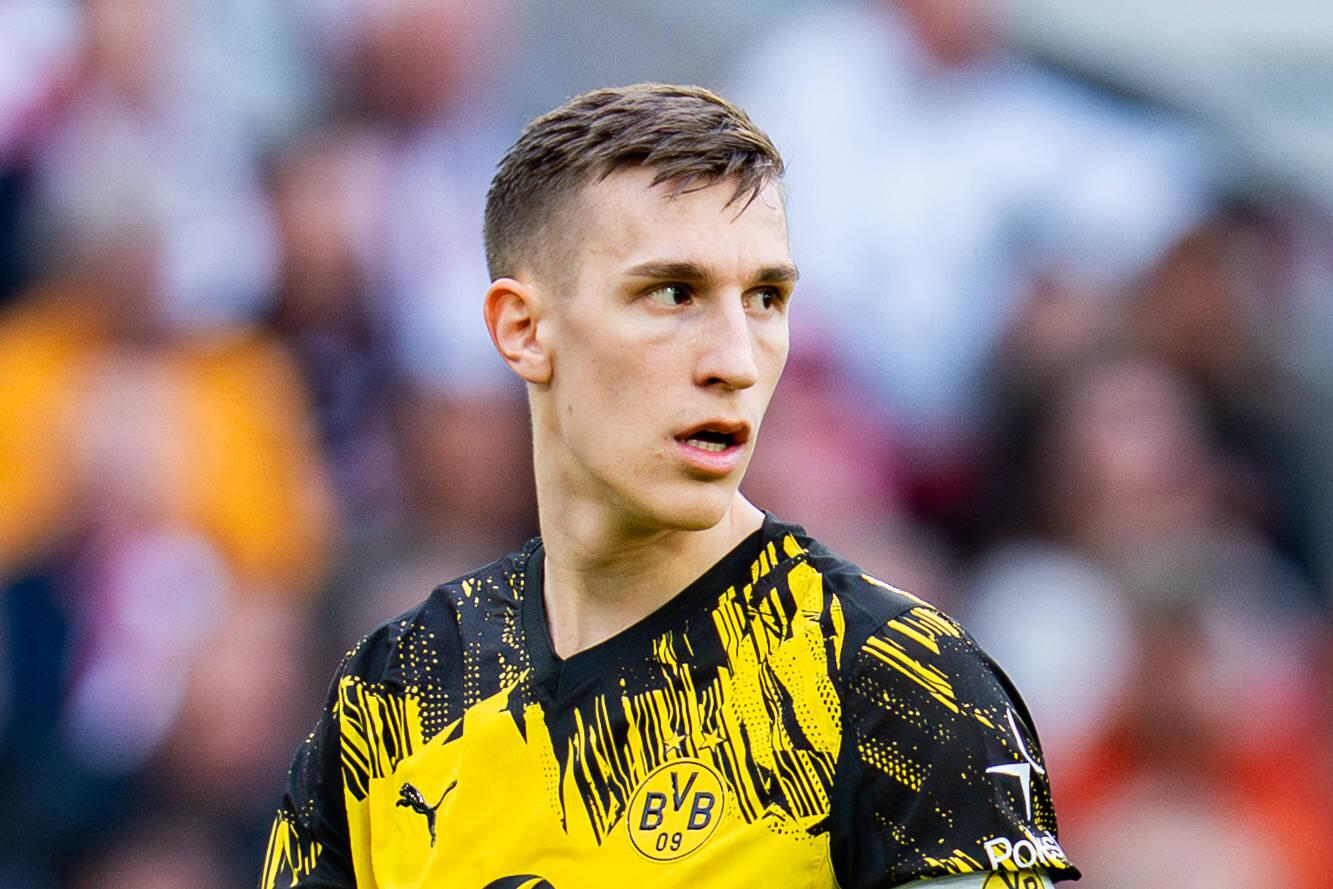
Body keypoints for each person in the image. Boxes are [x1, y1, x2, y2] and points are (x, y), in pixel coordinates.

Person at [260, 84, 1079, 889]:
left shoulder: (899, 685)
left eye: (765, 298)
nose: (735, 359)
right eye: (673, 294)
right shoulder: (394, 692)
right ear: (524, 328)